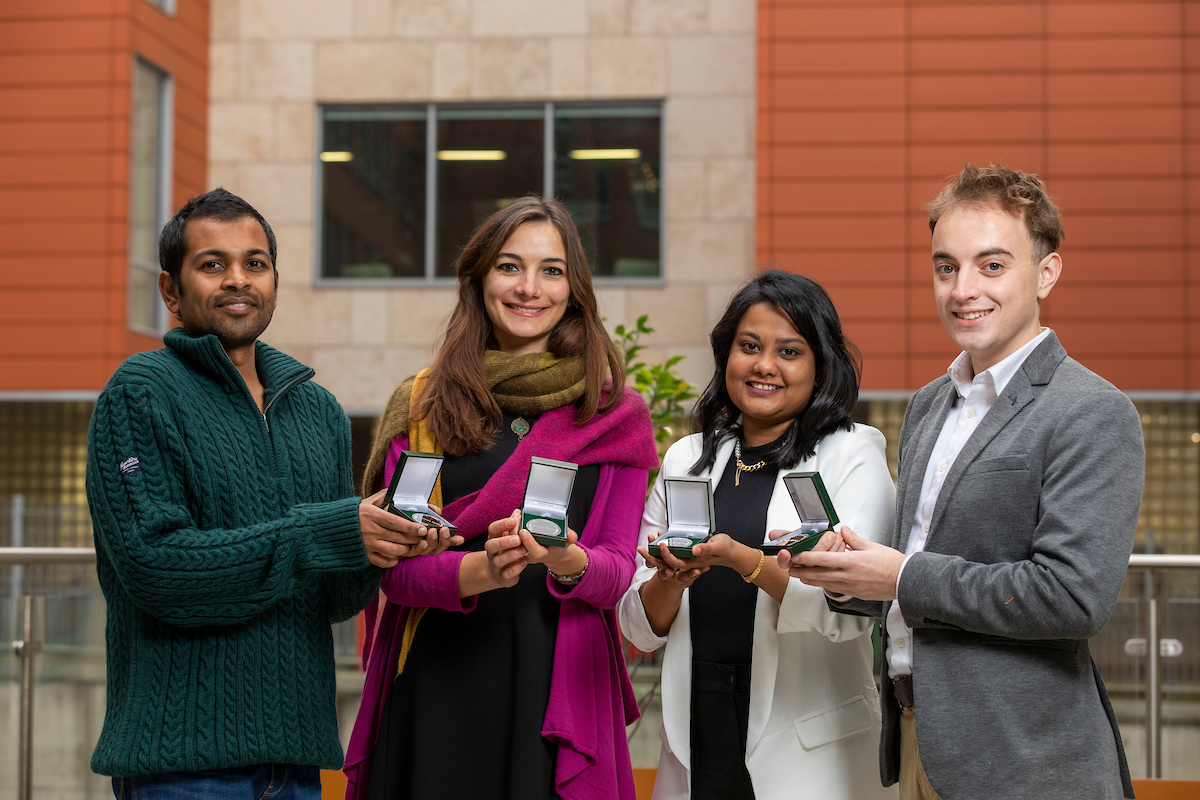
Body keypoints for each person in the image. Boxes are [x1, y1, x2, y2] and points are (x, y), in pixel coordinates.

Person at [783, 164, 1145, 800]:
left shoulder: (1091, 410)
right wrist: (845, 571)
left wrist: (898, 576)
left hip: (1024, 761)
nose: (962, 288)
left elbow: (1071, 598)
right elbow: (913, 581)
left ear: (1048, 273)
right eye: (946, 266)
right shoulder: (929, 405)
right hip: (918, 739)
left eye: (992, 265)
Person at [86, 188, 441, 799]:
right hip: (183, 767)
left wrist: (380, 544)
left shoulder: (318, 410)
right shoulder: (140, 392)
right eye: (212, 264)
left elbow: (328, 598)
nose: (237, 280)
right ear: (171, 291)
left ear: (275, 279)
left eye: (255, 263)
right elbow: (157, 568)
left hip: (297, 764)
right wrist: (323, 531)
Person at [343, 195, 659, 800]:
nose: (529, 288)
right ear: (480, 277)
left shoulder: (614, 413)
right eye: (510, 266)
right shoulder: (423, 404)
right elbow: (395, 575)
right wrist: (481, 570)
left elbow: (619, 572)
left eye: (552, 270)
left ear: (575, 288)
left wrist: (566, 559)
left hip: (556, 689)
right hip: (437, 680)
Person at [617, 270, 897, 800]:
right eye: (749, 346)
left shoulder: (853, 452)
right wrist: (674, 578)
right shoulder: (687, 458)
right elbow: (638, 624)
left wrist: (742, 560)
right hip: (698, 723)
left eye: (789, 351)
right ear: (728, 356)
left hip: (809, 744)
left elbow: (846, 611)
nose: (764, 365)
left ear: (820, 367)